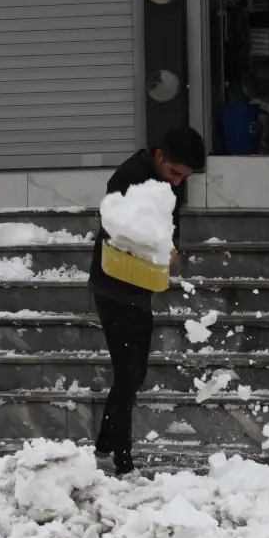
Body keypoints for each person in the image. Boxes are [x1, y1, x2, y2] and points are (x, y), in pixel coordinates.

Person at [88, 126, 207, 476]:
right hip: (113, 285)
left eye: (185, 177)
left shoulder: (170, 182)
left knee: (136, 373)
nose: (178, 182)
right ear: (159, 155)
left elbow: (173, 221)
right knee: (126, 374)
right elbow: (115, 227)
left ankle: (103, 449)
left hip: (139, 287)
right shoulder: (127, 177)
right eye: (175, 173)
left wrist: (172, 246)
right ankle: (122, 465)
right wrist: (155, 245)